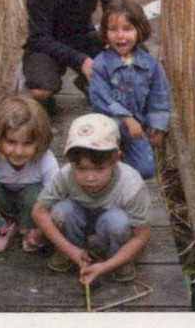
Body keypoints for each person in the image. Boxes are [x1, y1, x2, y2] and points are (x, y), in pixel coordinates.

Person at [31, 113, 153, 285]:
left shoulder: (131, 185)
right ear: (72, 164)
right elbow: (39, 211)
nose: (90, 178)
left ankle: (116, 258)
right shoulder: (66, 175)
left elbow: (142, 235)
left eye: (99, 169)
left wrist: (105, 267)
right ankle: (74, 251)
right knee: (61, 211)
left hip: (111, 223)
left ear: (116, 158)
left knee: (117, 222)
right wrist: (70, 250)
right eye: (81, 169)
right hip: (79, 219)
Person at [22, 0, 118, 114]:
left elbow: (113, 18)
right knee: (40, 90)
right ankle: (47, 100)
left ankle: (86, 81)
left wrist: (113, 47)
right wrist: (82, 61)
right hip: (47, 44)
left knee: (131, 60)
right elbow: (38, 38)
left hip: (84, 36)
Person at [87, 0, 171, 179]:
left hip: (137, 129)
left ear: (139, 31)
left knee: (146, 170)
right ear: (105, 32)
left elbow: (159, 96)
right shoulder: (101, 64)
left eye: (127, 29)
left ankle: (124, 160)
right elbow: (100, 99)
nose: (120, 36)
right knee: (100, 166)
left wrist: (158, 127)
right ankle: (112, 160)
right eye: (113, 29)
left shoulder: (150, 65)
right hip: (108, 126)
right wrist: (126, 118)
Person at [0, 94, 57, 253]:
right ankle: (1, 226)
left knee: (39, 193)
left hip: (32, 210)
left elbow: (57, 198)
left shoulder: (46, 161)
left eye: (28, 144)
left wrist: (42, 230)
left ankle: (28, 228)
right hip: (2, 203)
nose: (19, 151)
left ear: (40, 142)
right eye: (11, 142)